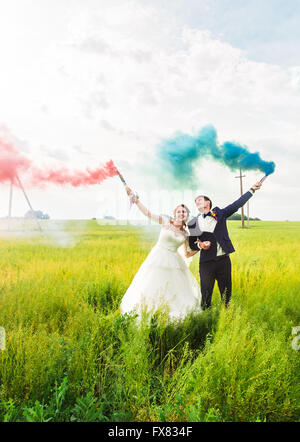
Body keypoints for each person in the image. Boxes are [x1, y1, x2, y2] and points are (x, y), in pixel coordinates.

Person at [120, 188, 203, 320]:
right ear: (174, 213)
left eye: (184, 212)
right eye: (179, 211)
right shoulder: (165, 221)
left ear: (186, 216)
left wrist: (199, 246)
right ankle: (149, 310)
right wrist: (136, 200)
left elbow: (186, 254)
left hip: (174, 262)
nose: (182, 214)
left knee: (173, 289)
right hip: (158, 257)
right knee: (152, 285)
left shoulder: (186, 233)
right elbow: (148, 213)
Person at [187, 181, 263, 309]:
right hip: (206, 263)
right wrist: (201, 246)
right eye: (196, 201)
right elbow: (192, 245)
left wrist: (251, 190)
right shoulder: (193, 222)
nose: (197, 202)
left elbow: (236, 204)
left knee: (226, 294)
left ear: (208, 203)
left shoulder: (220, 214)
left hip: (223, 261)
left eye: (200, 199)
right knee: (205, 293)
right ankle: (206, 317)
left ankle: (227, 317)